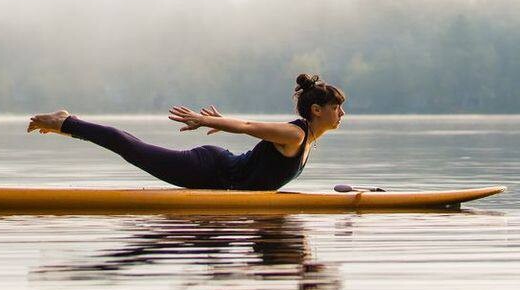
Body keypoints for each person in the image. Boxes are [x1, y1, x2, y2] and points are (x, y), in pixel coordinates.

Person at [27, 73, 345, 191]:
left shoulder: (307, 142)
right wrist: (207, 121)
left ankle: (68, 127)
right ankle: (66, 121)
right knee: (130, 147)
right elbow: (248, 127)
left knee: (132, 147)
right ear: (317, 110)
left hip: (220, 178)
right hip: (209, 170)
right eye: (336, 108)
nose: (341, 114)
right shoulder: (297, 135)